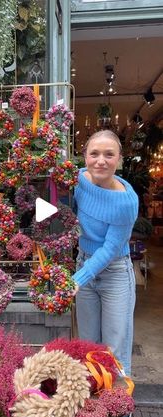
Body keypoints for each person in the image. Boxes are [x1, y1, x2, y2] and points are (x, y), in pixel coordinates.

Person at [73, 129, 139, 376]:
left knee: (114, 349)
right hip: (84, 265)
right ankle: (93, 406)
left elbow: (111, 248)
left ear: (119, 159)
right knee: (88, 347)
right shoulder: (76, 180)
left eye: (109, 155)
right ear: (85, 157)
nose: (101, 160)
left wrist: (78, 279)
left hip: (115, 273)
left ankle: (119, 412)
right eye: (95, 153)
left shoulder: (126, 202)